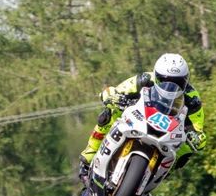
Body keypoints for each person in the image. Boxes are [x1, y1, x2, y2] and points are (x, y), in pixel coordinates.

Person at [78, 53, 207, 179]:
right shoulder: (145, 79)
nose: (170, 87)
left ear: (186, 81)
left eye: (178, 82)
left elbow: (198, 128)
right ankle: (90, 152)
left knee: (187, 149)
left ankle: (165, 171)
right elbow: (118, 90)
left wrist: (196, 137)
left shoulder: (193, 98)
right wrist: (113, 96)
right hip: (140, 117)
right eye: (164, 80)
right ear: (156, 75)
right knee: (109, 113)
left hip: (169, 131)